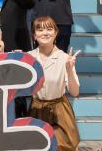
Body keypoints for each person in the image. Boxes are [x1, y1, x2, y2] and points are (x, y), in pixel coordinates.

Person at [27, 16, 81, 151]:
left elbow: (75, 92)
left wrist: (69, 69)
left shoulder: (65, 58)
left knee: (61, 146)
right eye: (39, 30)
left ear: (56, 33)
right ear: (34, 35)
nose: (45, 33)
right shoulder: (28, 57)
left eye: (49, 29)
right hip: (36, 109)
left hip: (59, 111)